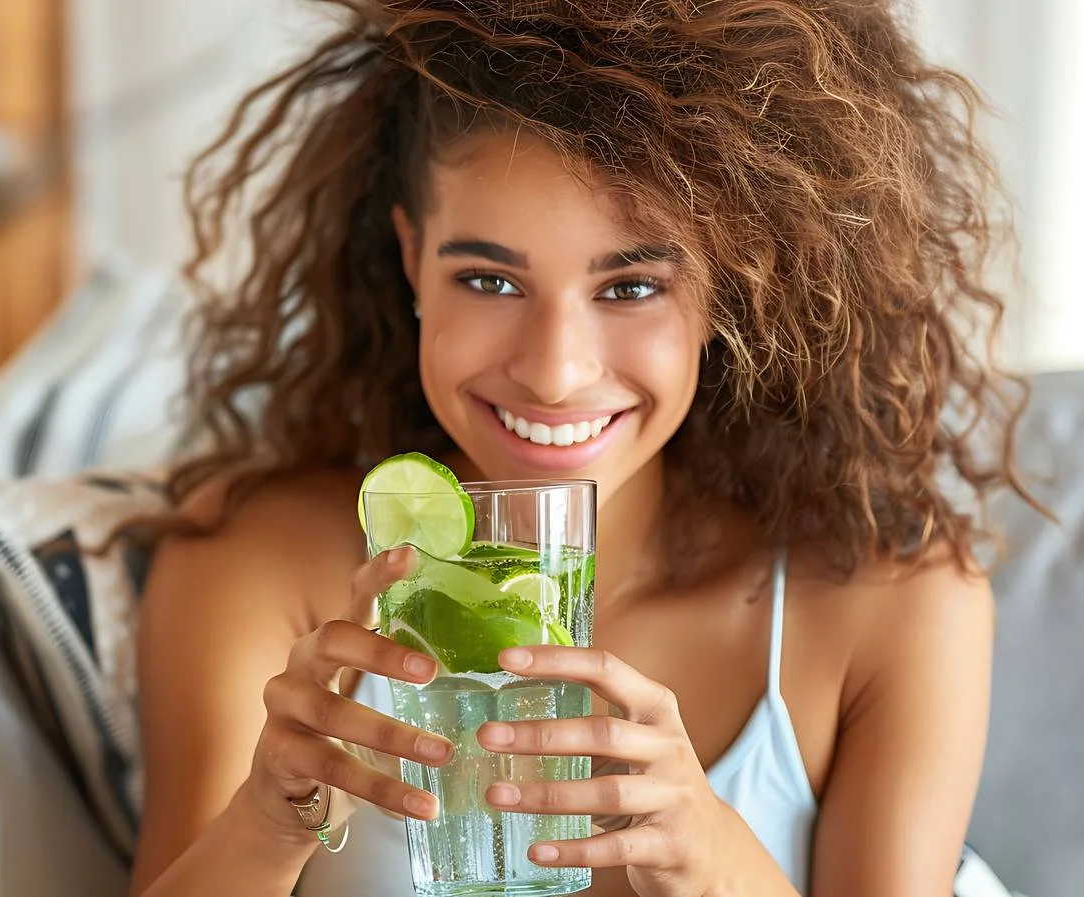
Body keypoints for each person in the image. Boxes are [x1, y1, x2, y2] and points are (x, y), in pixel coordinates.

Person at [128, 1, 1037, 894]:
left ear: (735, 278)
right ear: (411, 258)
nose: (554, 372)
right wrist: (264, 823)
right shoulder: (258, 564)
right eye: (488, 279)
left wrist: (710, 855)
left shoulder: (894, 606)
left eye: (631, 286)